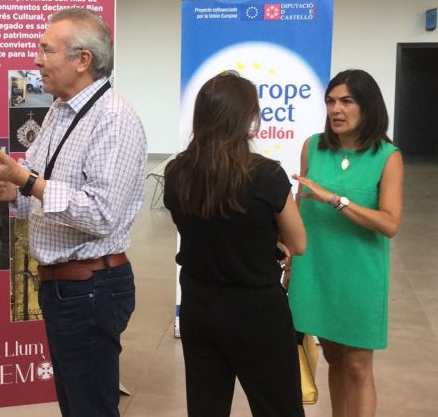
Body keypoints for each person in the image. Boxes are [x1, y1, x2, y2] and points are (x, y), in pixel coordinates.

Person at [0, 7, 146, 417]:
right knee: (75, 404)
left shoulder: (113, 120)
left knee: (90, 407)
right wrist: (5, 188)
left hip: (92, 287)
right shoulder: (59, 111)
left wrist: (26, 182)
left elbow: (101, 214)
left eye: (46, 50)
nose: (36, 60)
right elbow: (37, 192)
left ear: (82, 60)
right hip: (66, 288)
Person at [163, 71, 307, 417]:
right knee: (278, 406)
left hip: (199, 303)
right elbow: (298, 243)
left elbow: (194, 226)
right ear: (247, 118)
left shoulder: (177, 172)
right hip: (256, 309)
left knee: (206, 406)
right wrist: (269, 240)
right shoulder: (267, 174)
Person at [287, 69, 403, 417]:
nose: (336, 109)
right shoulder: (313, 147)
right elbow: (299, 203)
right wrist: (290, 259)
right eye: (331, 101)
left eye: (346, 101)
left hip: (360, 273)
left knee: (357, 365)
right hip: (315, 270)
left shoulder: (387, 156)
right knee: (334, 358)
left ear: (367, 106)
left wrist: (337, 200)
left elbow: (390, 223)